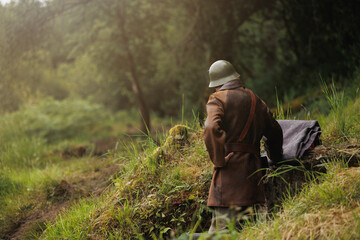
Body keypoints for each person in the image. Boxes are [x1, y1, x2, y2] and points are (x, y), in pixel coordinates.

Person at [203, 60, 283, 232]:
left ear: (218, 84)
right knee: (248, 232)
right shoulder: (256, 99)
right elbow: (275, 131)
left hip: (228, 179)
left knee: (220, 234)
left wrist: (218, 160)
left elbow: (210, 128)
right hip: (253, 179)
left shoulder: (217, 99)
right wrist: (275, 158)